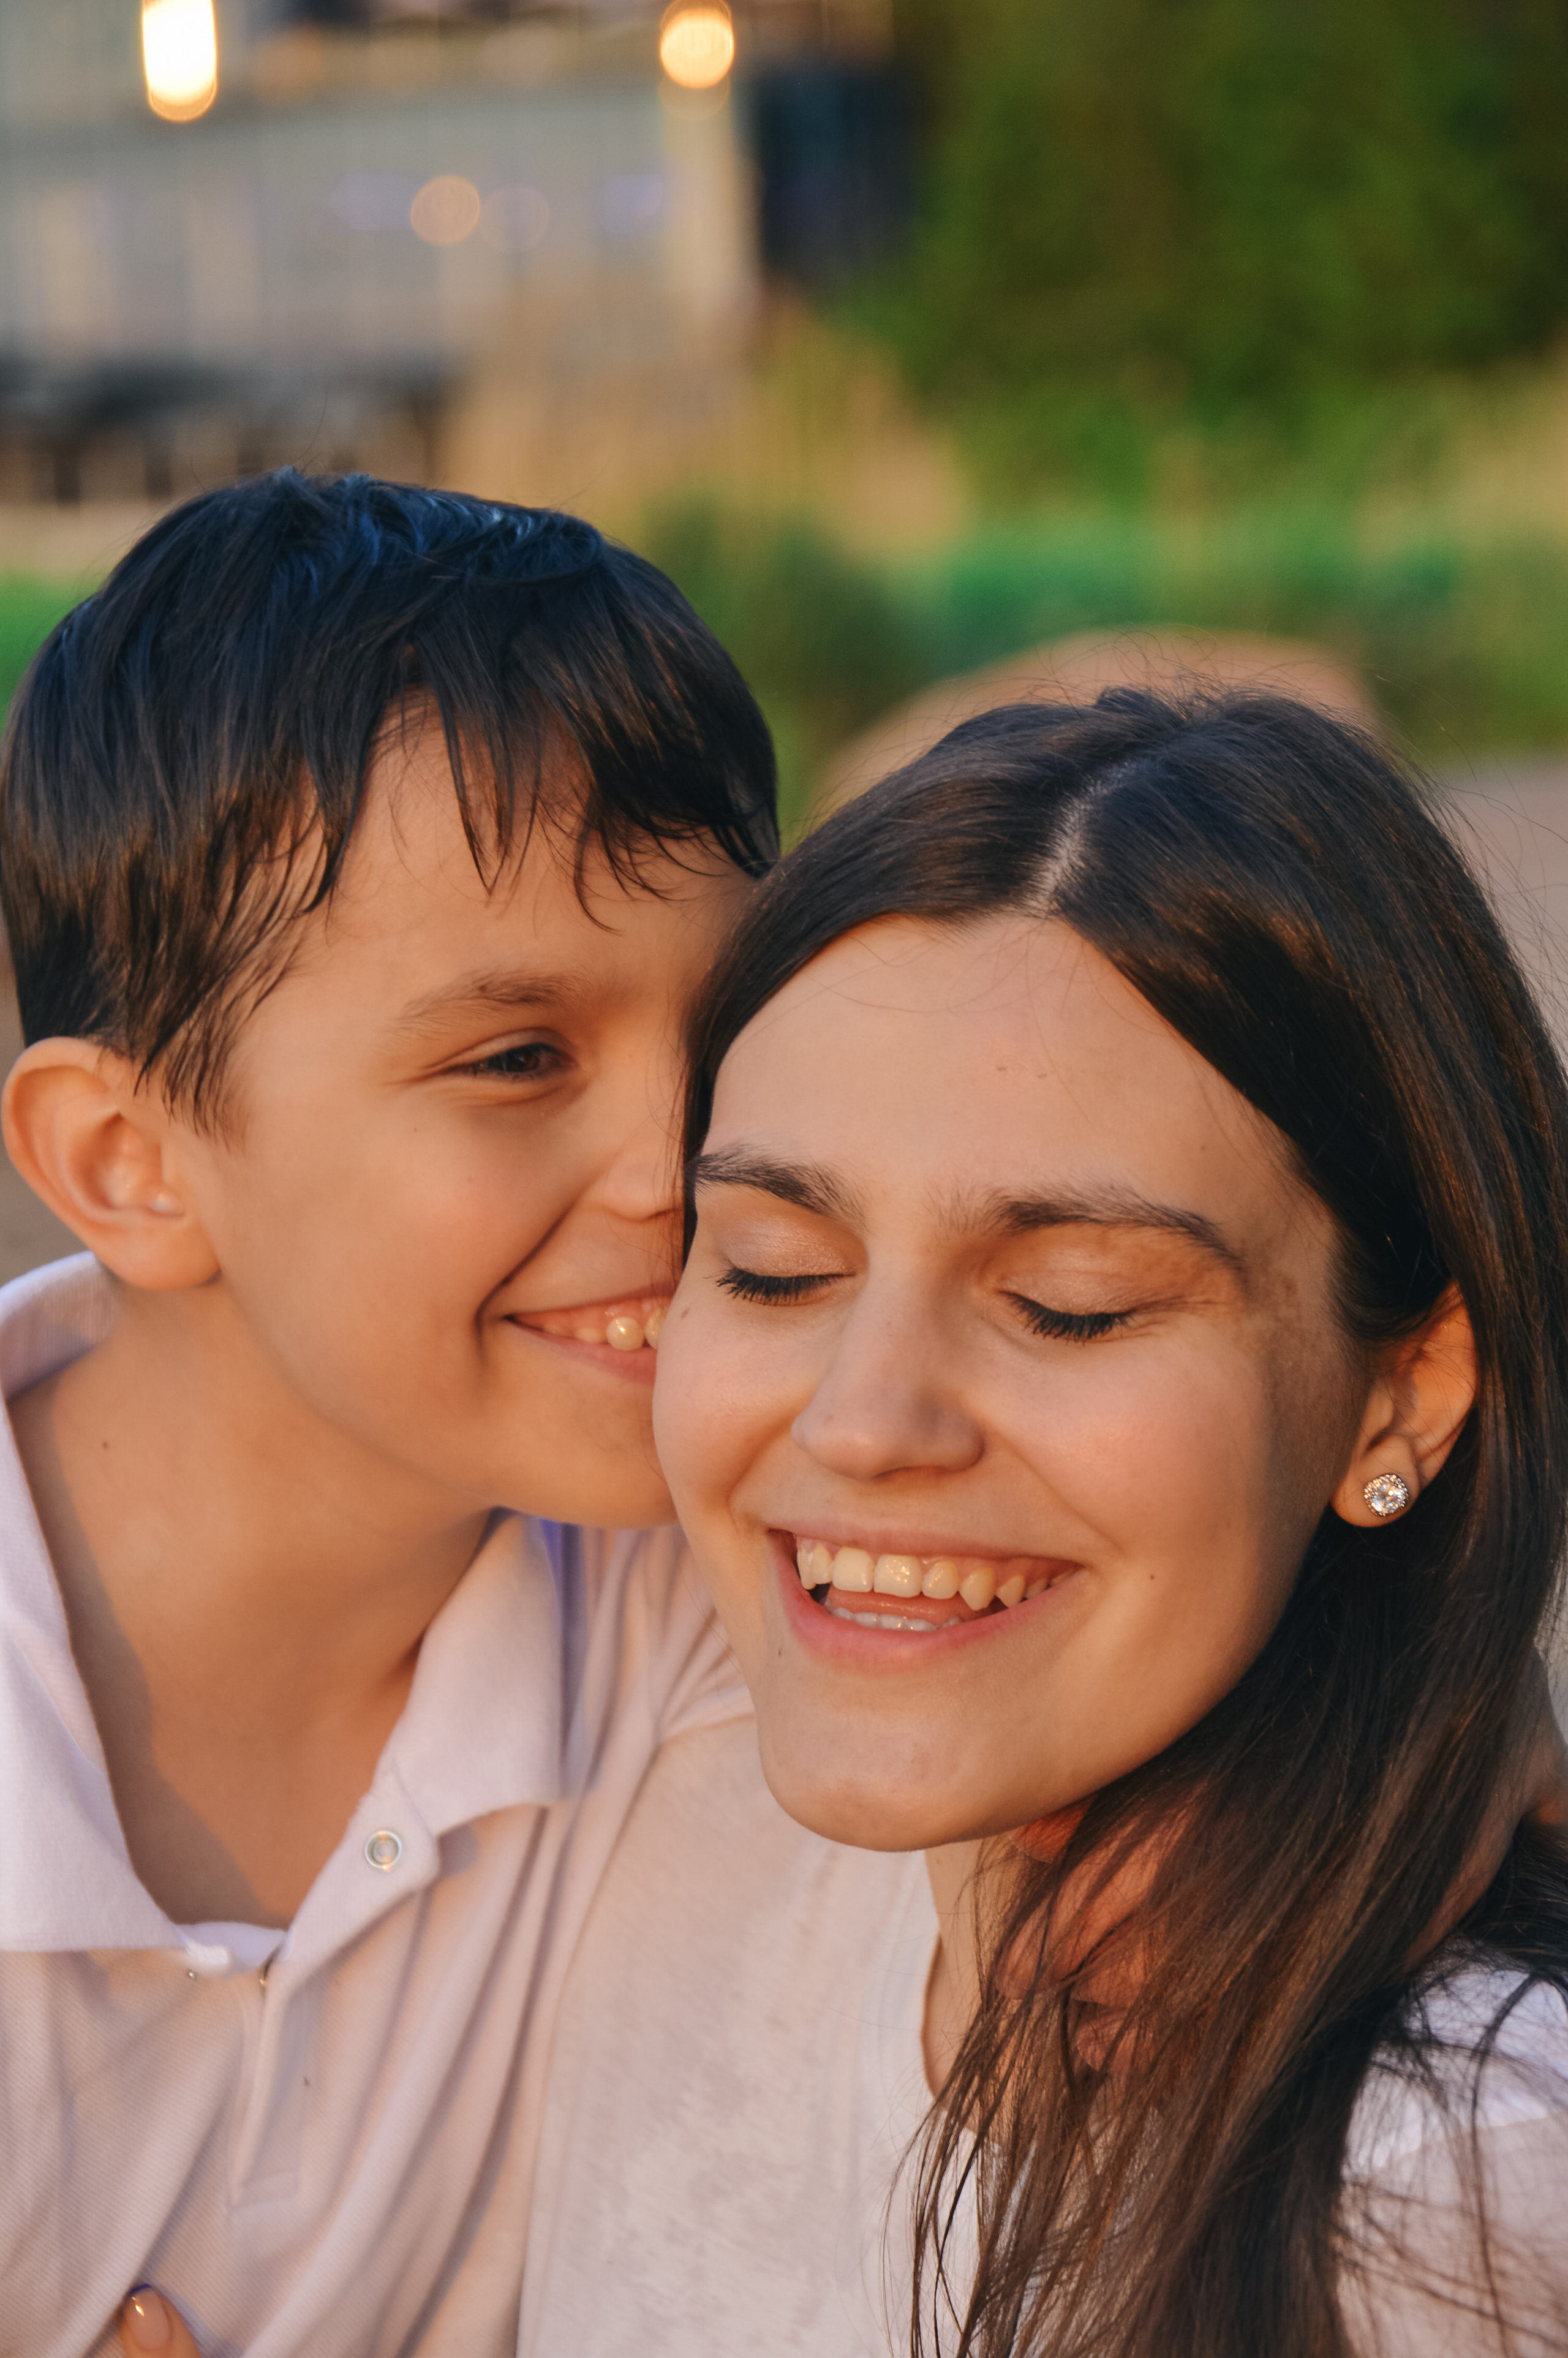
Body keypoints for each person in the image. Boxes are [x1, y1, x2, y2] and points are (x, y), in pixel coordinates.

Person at [655, 689, 1568, 2356]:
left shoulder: (1457, 2193)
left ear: (1407, 1385)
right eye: (772, 1266)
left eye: (1070, 1303)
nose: (862, 1418)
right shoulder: (656, 1767)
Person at [0, 468, 778, 2357]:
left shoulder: (701, 1584)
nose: (688, 1169)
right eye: (518, 1058)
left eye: (738, 1024)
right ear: (129, 1162)